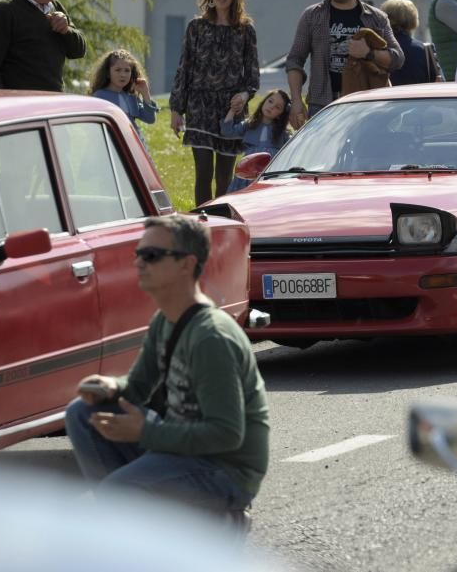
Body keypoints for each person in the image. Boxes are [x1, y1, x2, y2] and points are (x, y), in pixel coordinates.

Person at [65, 214, 269, 526]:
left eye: (152, 256)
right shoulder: (165, 320)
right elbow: (136, 389)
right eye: (138, 254)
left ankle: (221, 521)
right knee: (83, 413)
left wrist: (146, 432)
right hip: (183, 449)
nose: (139, 263)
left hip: (224, 470)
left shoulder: (211, 337)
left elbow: (227, 435)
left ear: (187, 264)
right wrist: (111, 387)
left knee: (119, 490)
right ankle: (136, 523)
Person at [169, 0, 259, 207]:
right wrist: (176, 109)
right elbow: (184, 69)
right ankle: (202, 225)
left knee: (223, 179)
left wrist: (244, 94)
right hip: (199, 108)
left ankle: (221, 225)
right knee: (203, 174)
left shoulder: (245, 29)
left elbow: (252, 75)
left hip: (230, 111)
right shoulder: (196, 27)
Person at [286, 0, 403, 128]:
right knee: (325, 155)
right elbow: (295, 60)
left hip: (365, 102)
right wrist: (296, 101)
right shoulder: (313, 16)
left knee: (362, 154)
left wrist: (369, 53)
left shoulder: (376, 18)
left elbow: (398, 58)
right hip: (323, 103)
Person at [221, 89, 291, 192]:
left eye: (277, 107)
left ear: (281, 114)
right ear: (264, 101)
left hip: (269, 172)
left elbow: (294, 145)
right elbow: (227, 131)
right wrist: (232, 110)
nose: (271, 107)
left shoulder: (282, 132)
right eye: (270, 101)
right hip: (249, 169)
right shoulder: (250, 124)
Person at [90, 49, 158, 150]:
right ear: (108, 73)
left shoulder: (131, 97)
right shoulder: (100, 96)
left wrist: (145, 93)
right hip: (110, 147)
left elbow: (150, 119)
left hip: (133, 147)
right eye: (118, 70)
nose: (123, 74)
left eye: (127, 70)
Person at [380, 0, 442, 85]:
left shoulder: (377, 49)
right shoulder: (425, 50)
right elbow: (437, 81)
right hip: (418, 97)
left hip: (384, 97)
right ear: (414, 19)